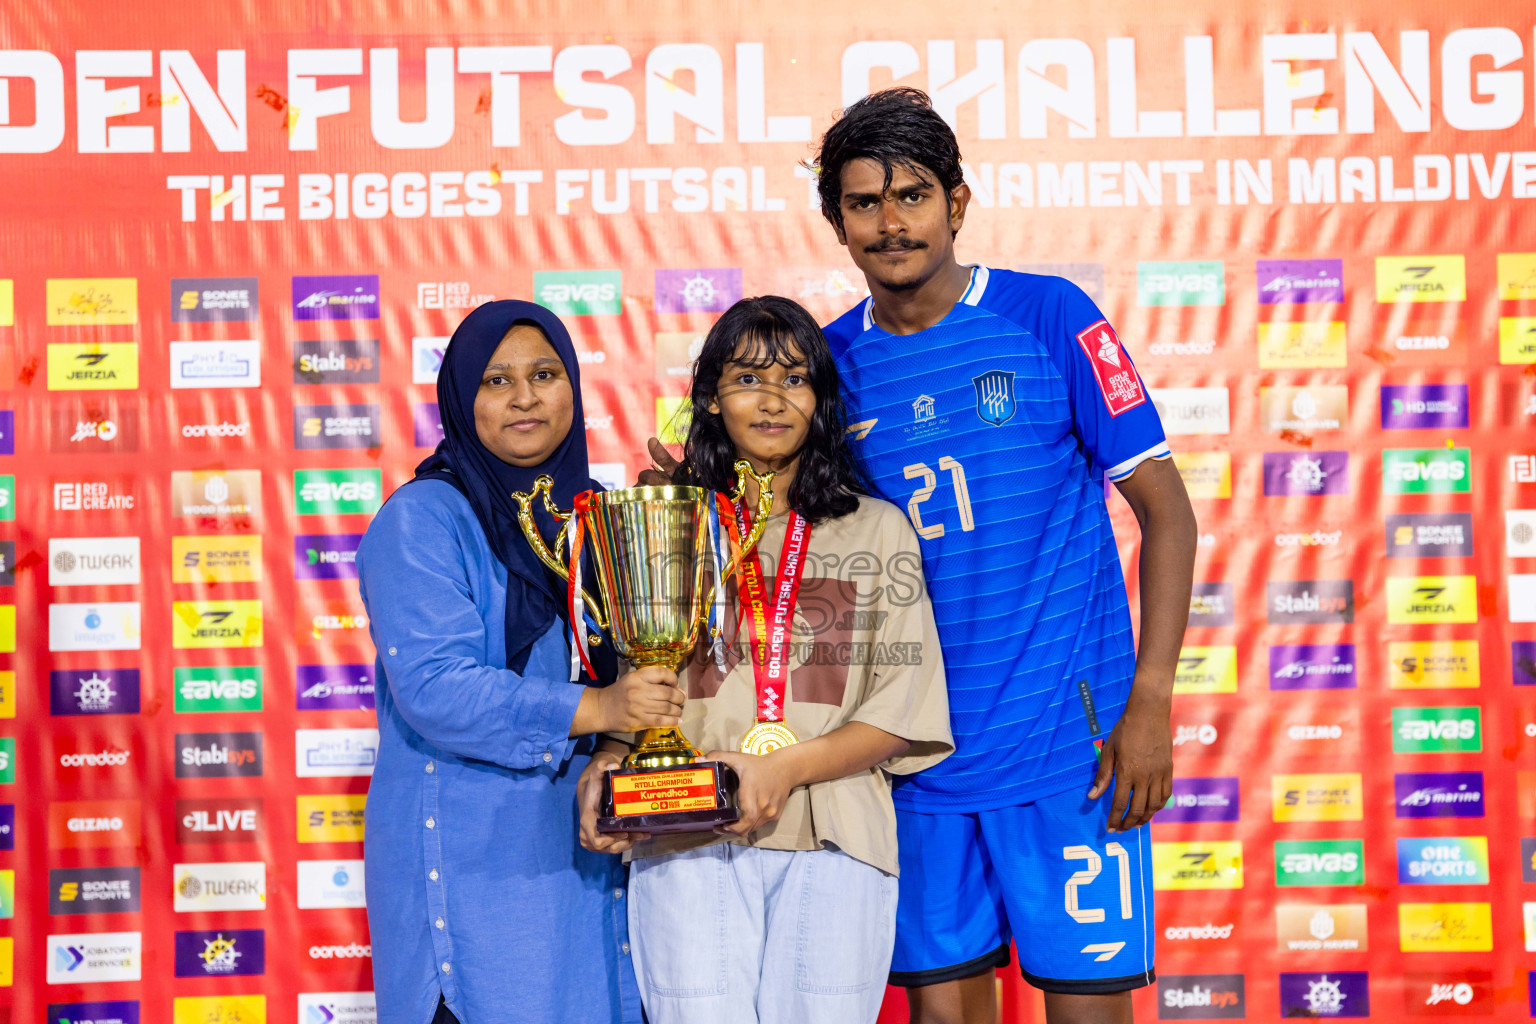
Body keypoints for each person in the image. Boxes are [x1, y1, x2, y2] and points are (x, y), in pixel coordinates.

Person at [649, 89, 1198, 1024]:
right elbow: (761, 495)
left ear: (958, 201)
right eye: (865, 203)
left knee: (1088, 1008)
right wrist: (676, 500)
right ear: (836, 221)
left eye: (913, 194)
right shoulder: (825, 363)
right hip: (908, 754)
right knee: (946, 1014)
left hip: (1069, 745)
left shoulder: (1050, 316)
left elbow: (1170, 515)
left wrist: (1150, 700)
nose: (891, 221)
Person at [594, 295, 954, 1024]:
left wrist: (779, 769)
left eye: (795, 379)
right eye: (748, 378)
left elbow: (902, 714)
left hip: (834, 835)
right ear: (710, 397)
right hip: (684, 832)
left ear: (821, 401)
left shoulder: (877, 530)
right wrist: (607, 762)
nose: (772, 399)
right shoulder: (670, 524)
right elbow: (637, 688)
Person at [358, 300, 688, 1024]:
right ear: (460, 397)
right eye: (496, 380)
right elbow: (436, 689)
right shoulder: (424, 518)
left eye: (544, 374)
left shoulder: (601, 516)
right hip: (476, 862)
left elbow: (634, 666)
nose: (525, 396)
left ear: (573, 385)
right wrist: (598, 709)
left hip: (586, 854)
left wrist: (613, 742)